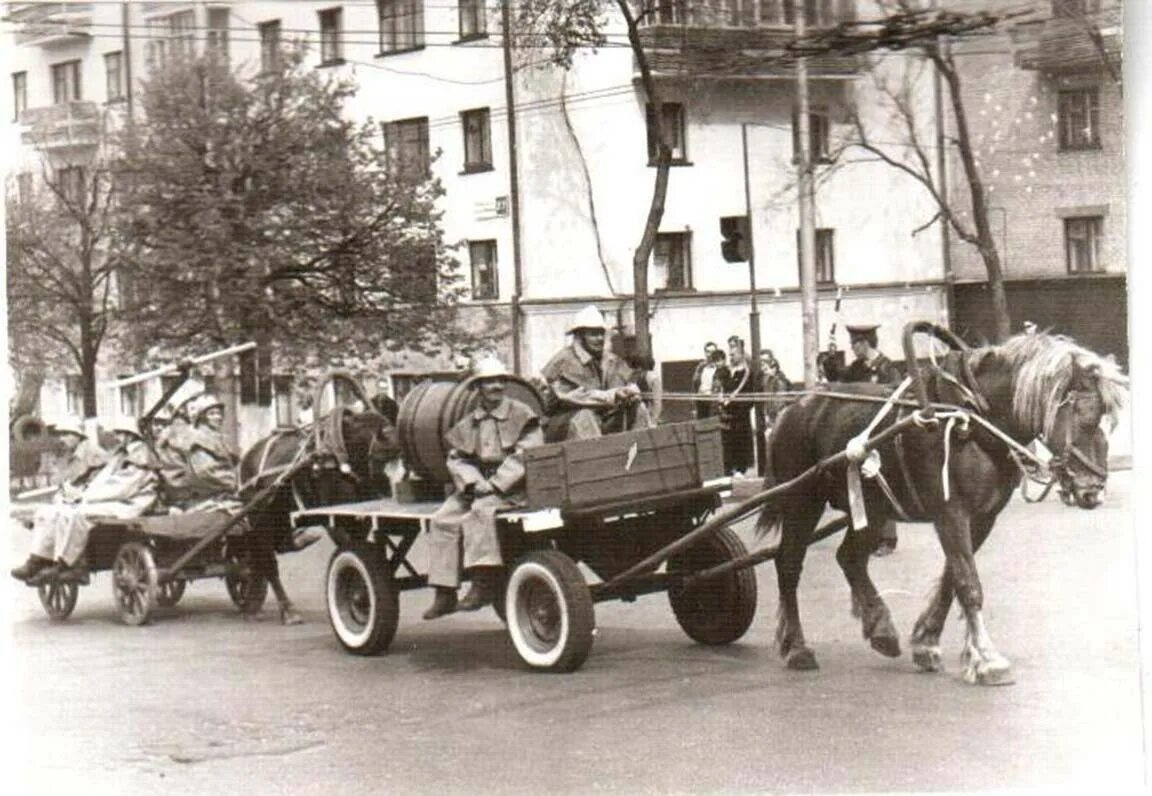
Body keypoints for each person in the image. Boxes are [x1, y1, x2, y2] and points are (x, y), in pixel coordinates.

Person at [424, 358, 544, 619]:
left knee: (481, 512)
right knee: (443, 519)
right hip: (478, 485)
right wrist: (473, 482)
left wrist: (496, 484)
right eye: (490, 381)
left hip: (514, 488)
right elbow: (457, 458)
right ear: (478, 386)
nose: (496, 386)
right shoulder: (471, 421)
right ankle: (444, 591)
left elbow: (527, 454)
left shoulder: (522, 414)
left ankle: (483, 583)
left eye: (501, 381)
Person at [11, 418, 159, 581]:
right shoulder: (122, 453)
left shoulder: (139, 455)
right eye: (117, 433)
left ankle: (70, 564)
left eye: (120, 433)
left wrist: (85, 497)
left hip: (130, 503)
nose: (116, 436)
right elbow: (103, 481)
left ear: (130, 435)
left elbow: (123, 487)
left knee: (76, 514)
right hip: (115, 499)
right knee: (54, 512)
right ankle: (39, 559)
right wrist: (83, 494)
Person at [539, 305, 653, 441]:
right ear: (580, 336)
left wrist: (629, 392)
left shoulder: (610, 359)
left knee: (637, 408)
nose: (599, 338)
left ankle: (642, 453)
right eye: (593, 334)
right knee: (585, 416)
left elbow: (622, 383)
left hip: (601, 419)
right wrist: (614, 395)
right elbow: (576, 397)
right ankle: (596, 460)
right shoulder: (563, 361)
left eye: (601, 333)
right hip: (562, 424)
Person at [841, 324, 901, 557]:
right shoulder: (856, 368)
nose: (852, 348)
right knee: (860, 484)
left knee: (884, 481)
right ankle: (865, 533)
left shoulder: (888, 368)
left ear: (864, 343)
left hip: (881, 435)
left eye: (854, 344)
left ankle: (888, 538)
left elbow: (896, 399)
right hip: (858, 434)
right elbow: (841, 383)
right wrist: (827, 362)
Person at [721, 336, 754, 476]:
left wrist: (736, 403)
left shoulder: (746, 372)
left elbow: (748, 392)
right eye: (730, 354)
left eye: (734, 354)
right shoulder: (728, 371)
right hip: (727, 411)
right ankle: (728, 467)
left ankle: (741, 467)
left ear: (740, 353)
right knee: (727, 440)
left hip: (740, 412)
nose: (731, 357)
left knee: (740, 439)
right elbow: (724, 387)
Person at [759, 349, 792, 429]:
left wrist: (771, 416)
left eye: (766, 364)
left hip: (776, 418)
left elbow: (780, 403)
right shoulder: (765, 379)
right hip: (769, 416)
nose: (763, 368)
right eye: (761, 363)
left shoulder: (779, 381)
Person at [691, 341, 721, 419]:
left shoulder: (720, 368)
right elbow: (694, 387)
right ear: (705, 353)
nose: (710, 354)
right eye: (708, 352)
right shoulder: (700, 367)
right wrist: (694, 408)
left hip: (714, 403)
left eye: (712, 352)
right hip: (701, 402)